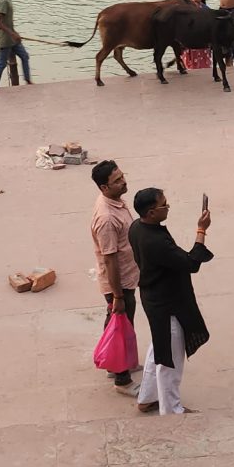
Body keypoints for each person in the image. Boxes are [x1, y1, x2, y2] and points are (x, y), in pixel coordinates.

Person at [128, 186, 211, 416]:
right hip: (168, 305)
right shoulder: (155, 241)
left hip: (154, 298)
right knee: (170, 361)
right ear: (151, 213)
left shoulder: (136, 228)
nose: (168, 208)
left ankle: (147, 397)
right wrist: (201, 230)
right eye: (164, 205)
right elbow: (191, 263)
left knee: (159, 348)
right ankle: (172, 410)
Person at [88, 160, 139, 395]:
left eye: (122, 176)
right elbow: (110, 259)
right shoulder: (107, 219)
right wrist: (118, 296)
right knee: (120, 326)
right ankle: (122, 379)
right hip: (119, 283)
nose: (123, 182)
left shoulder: (115, 201)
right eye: (117, 181)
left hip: (127, 276)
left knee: (117, 323)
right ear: (104, 187)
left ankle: (116, 363)